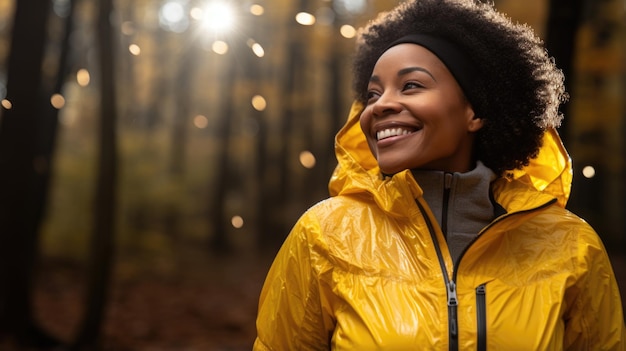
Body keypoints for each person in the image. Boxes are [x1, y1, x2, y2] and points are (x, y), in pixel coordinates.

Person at [254, 0, 626, 349]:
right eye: (372, 93)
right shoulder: (324, 235)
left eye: (411, 85)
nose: (380, 105)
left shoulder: (573, 246)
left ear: (476, 111)